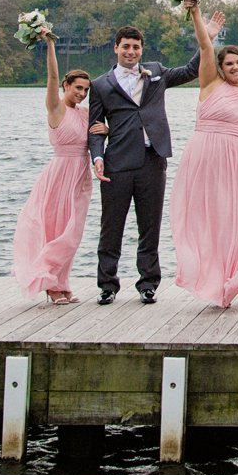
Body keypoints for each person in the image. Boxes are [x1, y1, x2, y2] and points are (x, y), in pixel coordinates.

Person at [86, 24, 201, 305]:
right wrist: (97, 158)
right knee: (111, 226)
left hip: (153, 159)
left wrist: (205, 38)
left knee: (150, 226)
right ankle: (107, 284)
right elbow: (94, 127)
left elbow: (190, 70)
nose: (131, 52)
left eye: (136, 47)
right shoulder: (101, 85)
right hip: (118, 162)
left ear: (141, 49)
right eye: (125, 46)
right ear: (116, 48)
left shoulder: (156, 72)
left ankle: (148, 283)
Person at [170, 0, 238, 308]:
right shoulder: (210, 85)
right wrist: (197, 14)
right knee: (213, 221)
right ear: (221, 69)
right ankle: (214, 280)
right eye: (229, 64)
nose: (235, 67)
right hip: (207, 162)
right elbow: (204, 47)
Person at [10, 35, 92, 304]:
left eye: (85, 91)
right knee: (56, 229)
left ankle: (62, 281)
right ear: (66, 86)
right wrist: (51, 45)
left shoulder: (85, 113)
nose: (80, 94)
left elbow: (100, 135)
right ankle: (49, 282)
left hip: (80, 176)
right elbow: (52, 78)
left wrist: (106, 129)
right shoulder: (56, 108)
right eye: (77, 88)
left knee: (74, 231)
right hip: (59, 173)